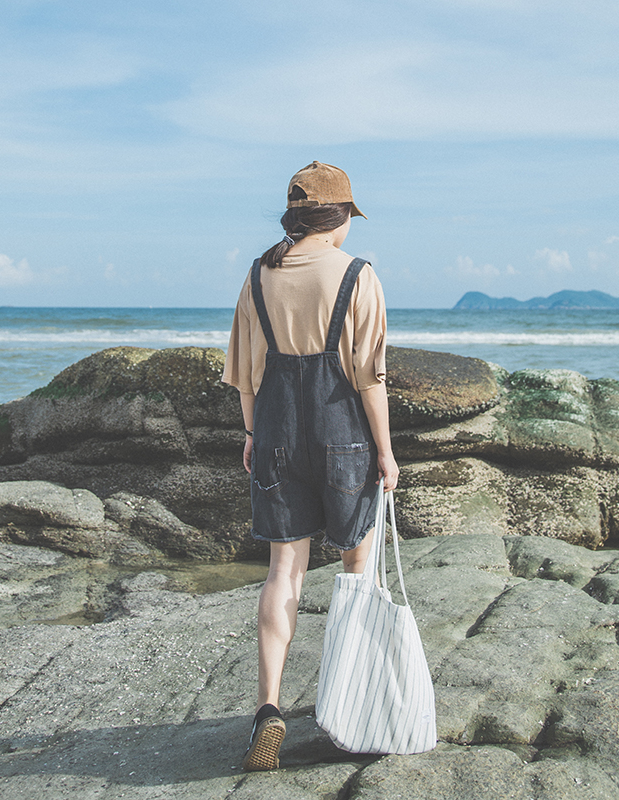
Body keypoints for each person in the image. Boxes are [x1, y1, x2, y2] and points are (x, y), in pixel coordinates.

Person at [222, 161, 399, 771]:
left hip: (274, 430)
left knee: (283, 572)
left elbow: (246, 369)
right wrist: (386, 449)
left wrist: (251, 433)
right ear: (341, 215)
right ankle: (353, 704)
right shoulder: (357, 275)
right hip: (342, 430)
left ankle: (268, 709)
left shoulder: (259, 273)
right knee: (357, 568)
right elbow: (370, 378)